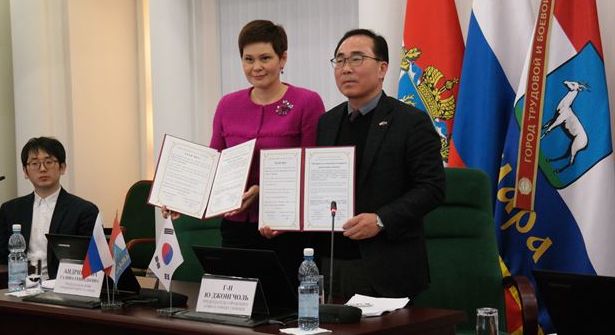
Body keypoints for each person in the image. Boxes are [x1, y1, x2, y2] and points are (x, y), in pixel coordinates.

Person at [164, 20, 325, 287]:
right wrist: (179, 196)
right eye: (248, 59)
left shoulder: (306, 102)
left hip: (284, 227)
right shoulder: (228, 104)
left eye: (265, 58)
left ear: (283, 58)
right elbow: (212, 163)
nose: (256, 67)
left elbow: (312, 169)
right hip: (236, 225)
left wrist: (264, 191)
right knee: (236, 303)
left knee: (282, 308)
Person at [313, 29, 445, 299]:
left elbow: (432, 188)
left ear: (383, 68)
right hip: (331, 262)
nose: (346, 68)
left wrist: (382, 220)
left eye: (357, 59)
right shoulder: (326, 122)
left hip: (387, 265)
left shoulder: (411, 122)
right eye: (339, 60)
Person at [0, 137, 99, 279]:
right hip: (18, 286)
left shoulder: (84, 211)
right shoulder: (10, 209)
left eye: (48, 162)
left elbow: (90, 262)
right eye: (34, 163)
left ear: (62, 167)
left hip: (62, 288)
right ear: (25, 171)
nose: (42, 168)